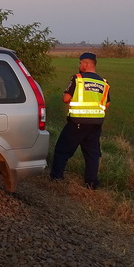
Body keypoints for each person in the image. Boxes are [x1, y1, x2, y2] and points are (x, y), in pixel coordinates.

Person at [50, 52, 111, 189]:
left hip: (77, 122)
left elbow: (66, 98)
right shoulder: (104, 83)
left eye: (80, 63)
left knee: (62, 149)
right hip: (96, 124)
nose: (79, 66)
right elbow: (106, 104)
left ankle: (56, 178)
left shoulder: (77, 79)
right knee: (92, 154)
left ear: (86, 64)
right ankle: (91, 183)